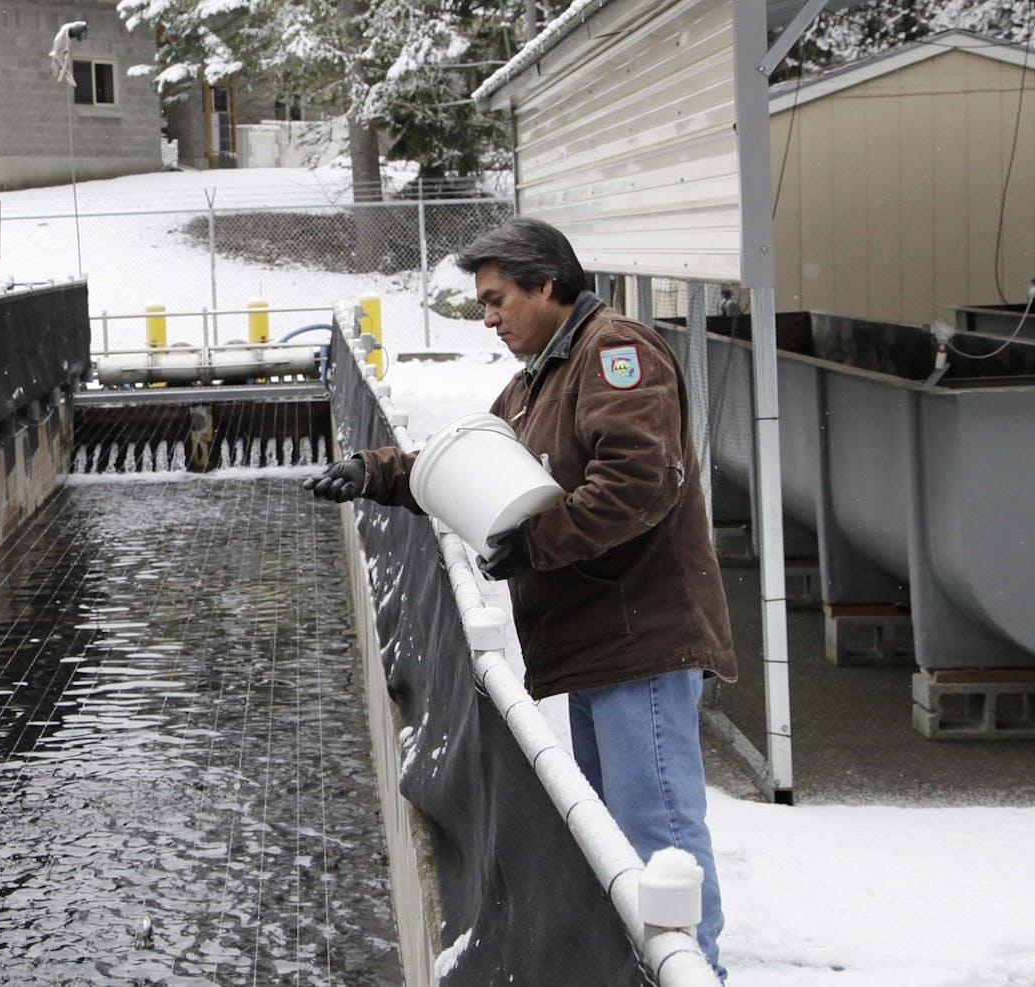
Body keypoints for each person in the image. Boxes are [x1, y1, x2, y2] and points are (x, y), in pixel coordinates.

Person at [305, 216, 737, 977]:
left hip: (641, 642)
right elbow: (466, 460)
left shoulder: (615, 354)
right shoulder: (544, 374)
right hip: (602, 648)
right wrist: (373, 472)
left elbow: (639, 480)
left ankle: (698, 970)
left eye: (499, 299)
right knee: (618, 847)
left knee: (659, 840)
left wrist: (535, 542)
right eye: (482, 304)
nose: (490, 317)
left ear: (548, 284)